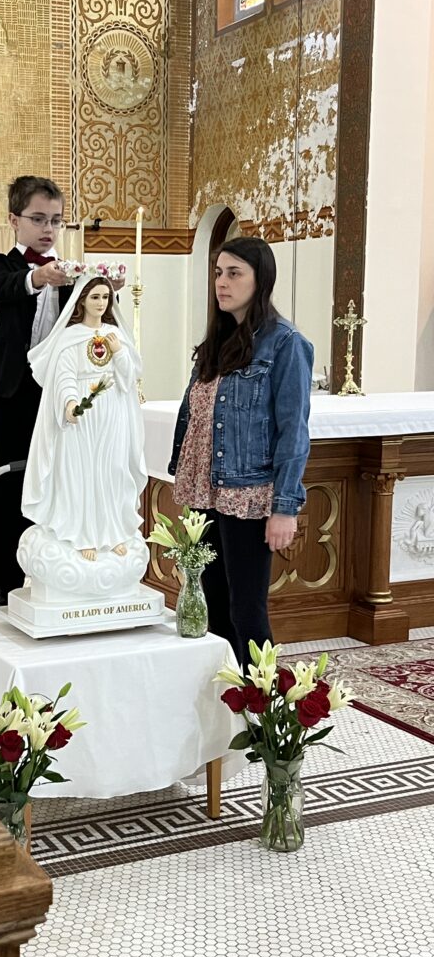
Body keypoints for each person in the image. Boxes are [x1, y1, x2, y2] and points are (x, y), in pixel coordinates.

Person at [167, 236, 313, 668]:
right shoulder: (218, 340)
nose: (222, 283)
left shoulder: (285, 343)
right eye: (218, 273)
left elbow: (293, 431)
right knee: (210, 607)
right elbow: (194, 416)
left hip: (249, 495)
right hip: (205, 494)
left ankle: (263, 708)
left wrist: (284, 508)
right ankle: (227, 709)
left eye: (234, 274)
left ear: (260, 280)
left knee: (247, 613)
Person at [0, 175, 73, 605]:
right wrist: (39, 277)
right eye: (38, 218)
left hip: (58, 396)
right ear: (14, 220)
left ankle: (58, 576)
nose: (48, 228)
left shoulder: (70, 273)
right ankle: (5, 583)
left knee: (58, 483)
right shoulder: (0, 264)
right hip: (11, 394)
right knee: (8, 488)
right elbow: (7, 289)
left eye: (55, 220)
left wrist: (99, 290)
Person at [23, 273, 146, 560]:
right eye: (95, 297)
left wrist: (119, 353)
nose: (101, 302)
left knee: (111, 471)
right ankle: (83, 534)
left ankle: (112, 531)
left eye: (106, 297)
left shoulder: (117, 336)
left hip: (111, 412)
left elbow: (129, 379)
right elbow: (64, 375)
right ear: (82, 300)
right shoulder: (70, 336)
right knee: (80, 474)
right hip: (82, 413)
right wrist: (68, 403)